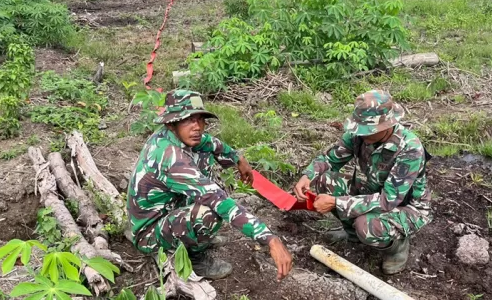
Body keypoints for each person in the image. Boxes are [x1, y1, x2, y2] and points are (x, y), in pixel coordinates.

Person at [127, 90, 293, 281]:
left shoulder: (173, 136)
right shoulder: (170, 158)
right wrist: (269, 239)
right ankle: (195, 259)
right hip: (149, 235)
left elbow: (210, 142)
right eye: (188, 120)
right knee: (210, 213)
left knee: (203, 153)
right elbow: (218, 200)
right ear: (171, 123)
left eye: (200, 119)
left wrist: (237, 159)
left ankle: (193, 236)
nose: (197, 127)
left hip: (167, 211)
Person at [293, 89, 432, 275]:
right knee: (323, 180)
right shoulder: (358, 136)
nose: (362, 134)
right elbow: (330, 160)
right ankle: (353, 235)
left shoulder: (410, 149)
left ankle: (397, 247)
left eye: (368, 130)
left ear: (386, 126)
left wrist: (336, 202)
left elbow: (388, 200)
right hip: (371, 191)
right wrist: (308, 175)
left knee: (366, 226)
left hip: (406, 207)